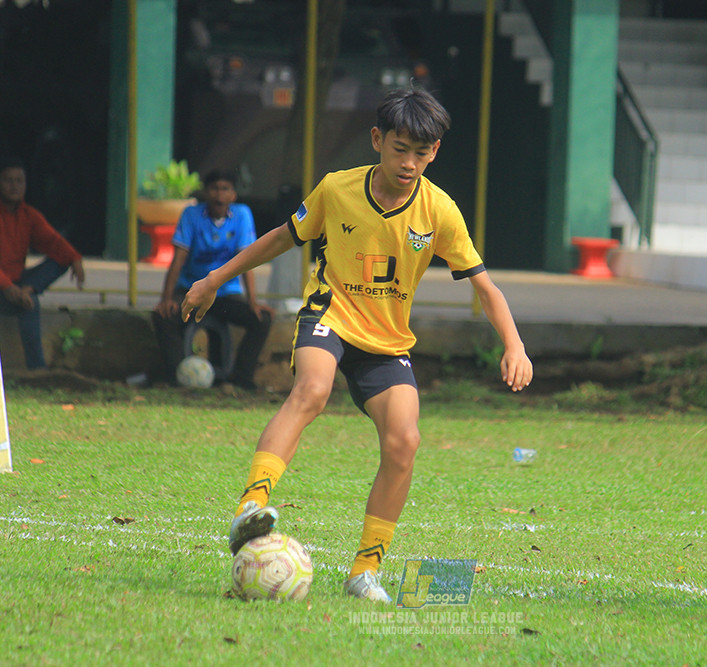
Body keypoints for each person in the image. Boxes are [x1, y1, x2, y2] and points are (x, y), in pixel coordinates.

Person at [181, 88, 534, 601]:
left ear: (434, 152)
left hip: (387, 340)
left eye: (422, 151)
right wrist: (214, 279)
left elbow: (485, 286)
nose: (410, 162)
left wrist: (515, 345)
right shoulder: (337, 189)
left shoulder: (439, 211)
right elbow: (282, 237)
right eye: (400, 148)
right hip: (331, 314)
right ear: (377, 140)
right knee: (313, 391)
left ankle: (364, 570)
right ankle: (250, 508)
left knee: (404, 441)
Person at [151, 169, 272, 389]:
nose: (219, 195)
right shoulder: (191, 215)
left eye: (225, 189)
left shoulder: (242, 215)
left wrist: (252, 302)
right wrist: (166, 298)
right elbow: (178, 259)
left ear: (233, 195)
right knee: (164, 316)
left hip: (226, 293)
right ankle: (179, 376)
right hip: (192, 290)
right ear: (206, 193)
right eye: (214, 189)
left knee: (261, 319)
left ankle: (240, 379)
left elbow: (246, 261)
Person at [0, 156, 85, 369]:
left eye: (20, 181)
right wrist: (8, 288)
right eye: (8, 180)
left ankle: (28, 290)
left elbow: (52, 241)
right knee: (30, 304)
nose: (15, 186)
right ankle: (37, 370)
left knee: (60, 261)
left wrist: (75, 258)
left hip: (17, 281)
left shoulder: (28, 214)